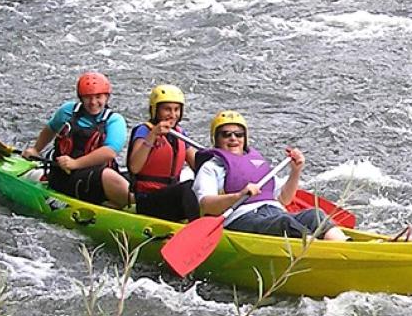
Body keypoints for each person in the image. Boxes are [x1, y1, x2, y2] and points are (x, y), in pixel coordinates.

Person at [194, 110, 348, 241]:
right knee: (284, 222)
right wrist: (238, 196)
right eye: (226, 134)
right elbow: (206, 204)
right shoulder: (211, 168)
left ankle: (345, 246)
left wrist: (295, 171)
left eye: (239, 134)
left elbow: (284, 199)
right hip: (240, 218)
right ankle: (322, 250)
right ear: (216, 139)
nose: (233, 138)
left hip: (274, 211)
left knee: (315, 215)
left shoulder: (256, 163)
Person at [21, 72, 130, 208]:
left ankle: (132, 201)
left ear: (107, 97)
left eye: (98, 97)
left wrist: (75, 163)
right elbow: (50, 128)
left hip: (91, 174)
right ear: (81, 98)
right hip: (64, 176)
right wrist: (36, 149)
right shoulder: (67, 111)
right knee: (108, 175)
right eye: (88, 97)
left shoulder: (114, 120)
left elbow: (110, 151)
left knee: (131, 177)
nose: (93, 102)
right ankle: (129, 202)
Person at [126, 84, 201, 222]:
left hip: (169, 198)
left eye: (176, 109)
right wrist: (153, 135)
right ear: (155, 110)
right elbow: (135, 167)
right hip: (147, 200)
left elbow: (197, 164)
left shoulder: (179, 134)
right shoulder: (144, 131)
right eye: (167, 109)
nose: (173, 115)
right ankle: (198, 227)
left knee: (199, 187)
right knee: (188, 187)